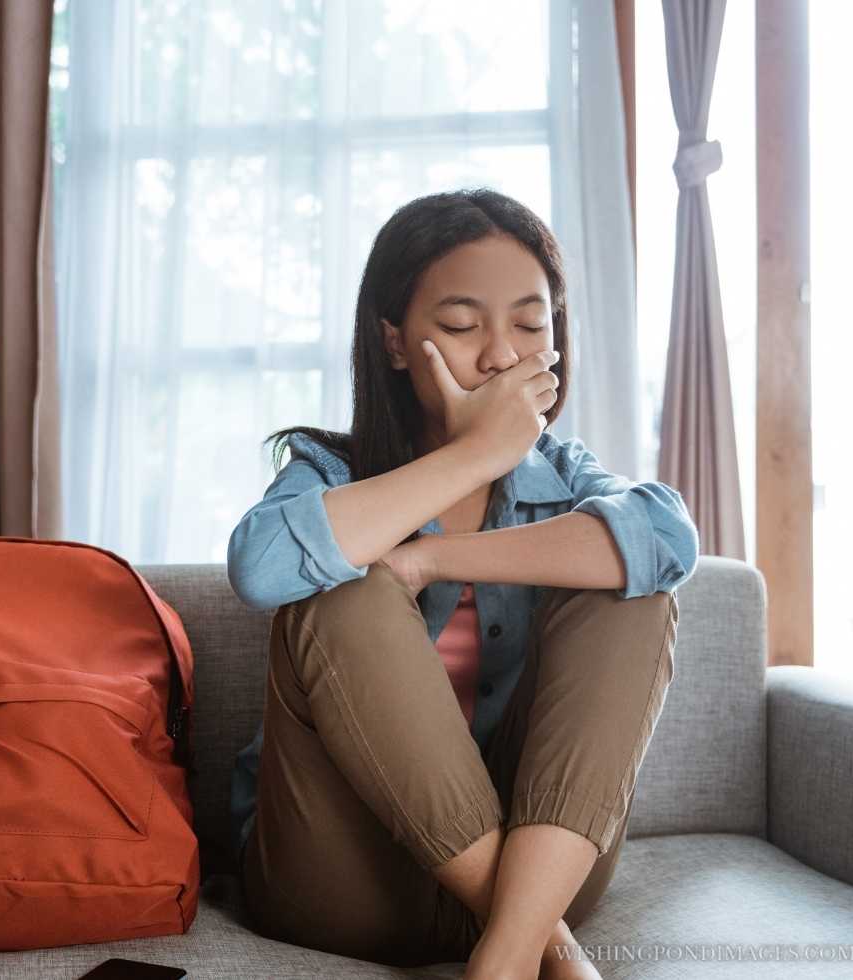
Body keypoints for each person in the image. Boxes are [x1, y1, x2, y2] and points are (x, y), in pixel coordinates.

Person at [226, 188, 699, 979]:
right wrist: (475, 454)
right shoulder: (331, 473)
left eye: (529, 323)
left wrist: (434, 558)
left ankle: (506, 955)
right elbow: (260, 566)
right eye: (459, 324)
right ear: (395, 342)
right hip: (343, 883)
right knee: (344, 583)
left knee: (631, 583)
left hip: (536, 877)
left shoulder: (568, 480)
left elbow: (668, 539)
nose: (502, 355)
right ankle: (549, 957)